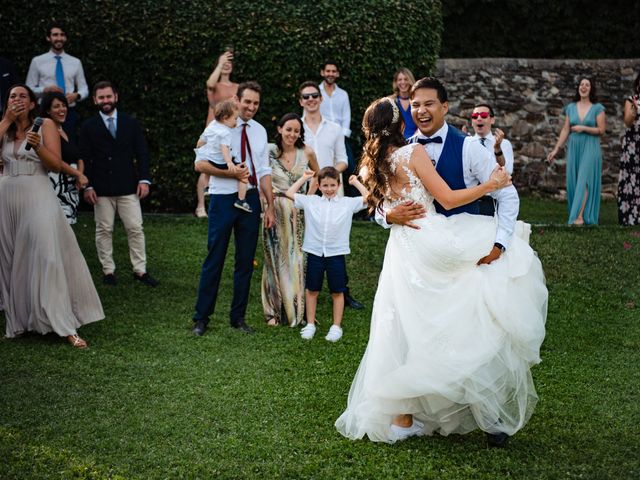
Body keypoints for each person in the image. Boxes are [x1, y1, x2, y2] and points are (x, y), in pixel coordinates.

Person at [335, 96, 547, 447]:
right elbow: (447, 200)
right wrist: (490, 187)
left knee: (407, 325)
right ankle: (471, 397)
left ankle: (405, 418)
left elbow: (380, 202)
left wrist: (388, 213)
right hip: (431, 240)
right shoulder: (412, 153)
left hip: (402, 249)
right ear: (400, 123)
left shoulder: (374, 163)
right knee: (478, 301)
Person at [0, 84, 103, 348]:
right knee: (10, 260)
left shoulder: (43, 124)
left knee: (47, 255)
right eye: (12, 96)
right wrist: (6, 121)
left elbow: (55, 164)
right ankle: (19, 321)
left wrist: (36, 147)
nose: (17, 100)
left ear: (33, 103)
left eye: (23, 96)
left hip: (38, 191)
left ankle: (65, 324)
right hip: (7, 194)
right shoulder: (5, 126)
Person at [192, 81, 275, 336]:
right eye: (247, 101)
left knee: (245, 261)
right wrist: (229, 173)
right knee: (214, 258)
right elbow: (200, 164)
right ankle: (201, 318)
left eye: (256, 103)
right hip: (221, 198)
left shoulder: (260, 131)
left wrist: (269, 205)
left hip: (249, 198)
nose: (251, 107)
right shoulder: (218, 126)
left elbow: (263, 170)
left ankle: (237, 317)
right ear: (236, 100)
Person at [80, 81, 158, 287]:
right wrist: (87, 186)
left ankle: (140, 270)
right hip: (100, 188)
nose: (105, 101)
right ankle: (108, 271)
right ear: (95, 100)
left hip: (128, 186)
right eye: (101, 98)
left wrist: (144, 179)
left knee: (135, 227)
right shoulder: (89, 126)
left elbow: (142, 152)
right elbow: (84, 158)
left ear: (116, 97)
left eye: (108, 96)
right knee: (104, 229)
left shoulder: (130, 122)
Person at [299, 80, 364, 310]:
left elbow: (343, 159)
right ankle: (304, 292)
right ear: (301, 101)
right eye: (306, 96)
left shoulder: (334, 128)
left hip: (332, 188)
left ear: (321, 98)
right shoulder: (296, 128)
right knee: (306, 239)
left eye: (314, 95)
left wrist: (329, 178)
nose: (311, 100)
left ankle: (342, 292)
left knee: (336, 238)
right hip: (307, 190)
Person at [285, 167, 368, 342]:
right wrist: (305, 177)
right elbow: (289, 193)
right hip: (315, 252)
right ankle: (310, 324)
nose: (329, 189)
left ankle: (336, 326)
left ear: (338, 185)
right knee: (312, 289)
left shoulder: (347, 203)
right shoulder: (311, 201)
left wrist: (355, 182)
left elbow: (370, 199)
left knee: (337, 291)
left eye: (332, 185)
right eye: (325, 185)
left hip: (336, 254)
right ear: (319, 186)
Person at [261, 113, 319, 327]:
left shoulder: (306, 153)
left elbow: (319, 176)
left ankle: (297, 311)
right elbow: (261, 177)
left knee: (296, 261)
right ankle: (273, 312)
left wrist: (309, 199)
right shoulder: (268, 151)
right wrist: (266, 205)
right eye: (288, 129)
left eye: (296, 131)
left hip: (297, 214)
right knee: (274, 260)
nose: (292, 134)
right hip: (273, 211)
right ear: (279, 129)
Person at [547, 77, 606, 225]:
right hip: (574, 147)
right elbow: (566, 129)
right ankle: (579, 214)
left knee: (584, 179)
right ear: (578, 88)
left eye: (587, 85)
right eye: (581, 84)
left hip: (590, 146)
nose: (584, 87)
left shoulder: (598, 108)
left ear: (591, 89)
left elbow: (601, 130)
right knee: (574, 180)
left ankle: (579, 217)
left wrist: (583, 128)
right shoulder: (571, 108)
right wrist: (556, 149)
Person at [26, 23, 89, 143]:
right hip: (44, 112)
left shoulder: (75, 62)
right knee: (44, 143)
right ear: (48, 38)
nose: (59, 38)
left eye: (62, 35)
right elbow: (28, 88)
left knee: (69, 145)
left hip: (68, 112)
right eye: (55, 35)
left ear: (65, 38)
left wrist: (77, 95)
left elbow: (84, 88)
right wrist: (45, 89)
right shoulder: (37, 61)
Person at [195, 49, 239, 218]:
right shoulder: (214, 85)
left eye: (229, 63)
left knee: (228, 160)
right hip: (213, 130)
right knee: (205, 165)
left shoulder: (236, 87)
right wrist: (220, 63)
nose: (227, 66)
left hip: (230, 130)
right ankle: (200, 206)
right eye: (223, 63)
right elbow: (209, 83)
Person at [40, 92, 89, 223]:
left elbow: (79, 157)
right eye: (56, 106)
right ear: (47, 111)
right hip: (55, 189)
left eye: (64, 105)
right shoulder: (44, 129)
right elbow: (56, 161)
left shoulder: (66, 129)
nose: (62, 109)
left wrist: (80, 175)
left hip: (71, 191)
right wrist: (78, 174)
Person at [196, 99, 251, 212]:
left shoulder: (212, 125)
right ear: (225, 118)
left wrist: (199, 149)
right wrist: (229, 162)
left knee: (207, 169)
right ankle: (241, 200)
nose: (236, 122)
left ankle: (207, 187)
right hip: (221, 161)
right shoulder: (226, 132)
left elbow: (202, 140)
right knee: (244, 174)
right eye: (235, 119)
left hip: (210, 158)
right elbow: (224, 148)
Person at [470, 103, 515, 216]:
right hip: (470, 199)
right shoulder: (466, 143)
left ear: (492, 120)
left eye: (484, 115)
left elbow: (506, 173)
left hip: (494, 200)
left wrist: (497, 149)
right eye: (475, 116)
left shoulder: (504, 144)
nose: (479, 118)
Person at [618, 72, 640, 225]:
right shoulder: (631, 100)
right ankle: (630, 217)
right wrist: (634, 109)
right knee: (631, 179)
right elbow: (627, 122)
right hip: (633, 146)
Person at [388, 67, 417, 139]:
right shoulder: (390, 101)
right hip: (396, 141)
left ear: (410, 81)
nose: (403, 82)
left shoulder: (417, 100)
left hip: (416, 140)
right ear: (396, 82)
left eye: (406, 79)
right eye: (400, 80)